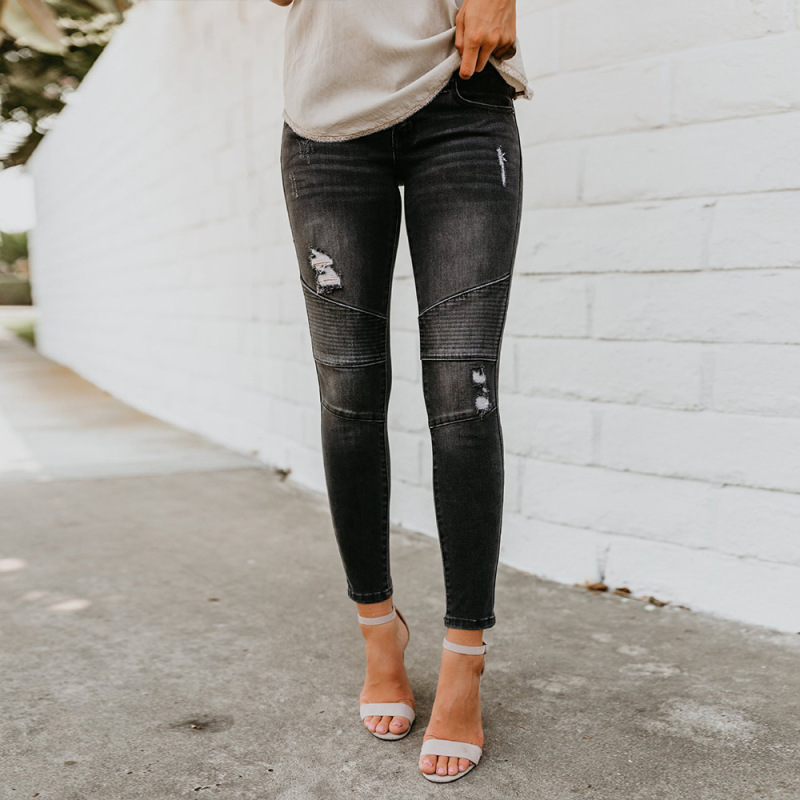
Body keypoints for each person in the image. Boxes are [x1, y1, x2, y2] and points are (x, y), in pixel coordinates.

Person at [272, 0, 531, 783]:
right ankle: (379, 629)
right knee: (348, 391)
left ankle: (464, 656)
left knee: (463, 391)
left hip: (463, 94)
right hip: (326, 118)